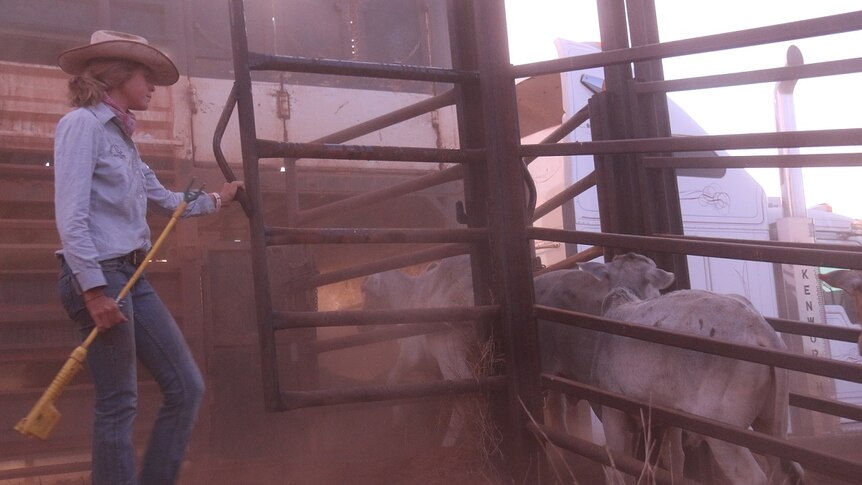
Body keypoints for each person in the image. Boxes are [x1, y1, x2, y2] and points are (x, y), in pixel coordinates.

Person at [53, 30, 243, 485]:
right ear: (119, 76)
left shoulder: (123, 139)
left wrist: (219, 199)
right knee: (119, 403)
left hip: (131, 274)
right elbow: (71, 215)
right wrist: (94, 288)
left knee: (186, 387)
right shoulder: (81, 126)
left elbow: (166, 200)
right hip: (101, 277)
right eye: (147, 76)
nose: (154, 86)